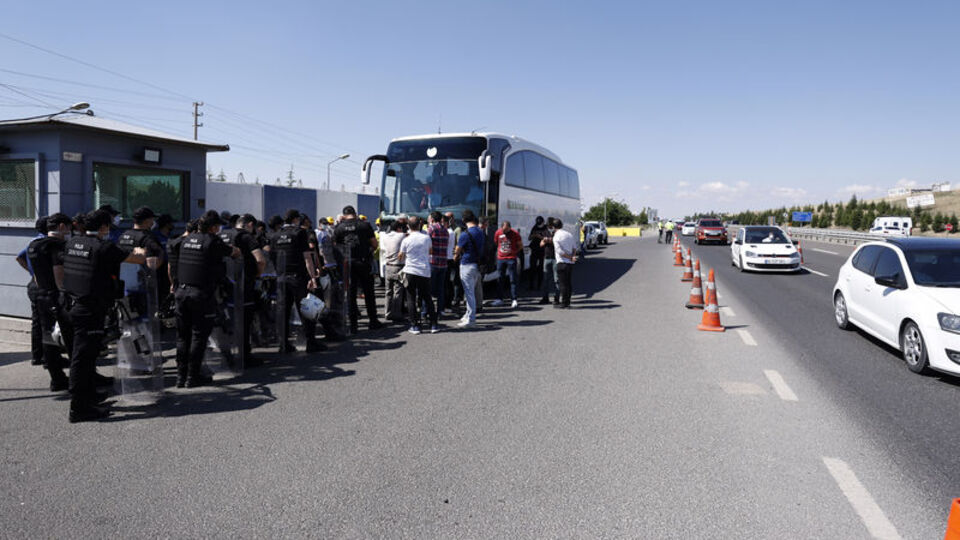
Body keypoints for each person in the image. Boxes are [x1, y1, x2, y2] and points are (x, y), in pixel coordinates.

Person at [62, 209, 146, 422]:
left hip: (74, 304)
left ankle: (89, 397)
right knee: (83, 358)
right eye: (109, 225)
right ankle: (79, 407)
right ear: (103, 227)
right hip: (90, 308)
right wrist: (140, 250)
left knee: (86, 356)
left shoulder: (73, 243)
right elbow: (137, 259)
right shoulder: (104, 246)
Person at [175, 211, 238, 387]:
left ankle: (181, 377)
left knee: (182, 337)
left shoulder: (186, 239)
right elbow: (232, 252)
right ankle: (192, 376)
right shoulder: (212, 241)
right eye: (218, 226)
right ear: (213, 228)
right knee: (198, 336)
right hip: (200, 295)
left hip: (181, 293)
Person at [26, 213, 74, 391]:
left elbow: (37, 275)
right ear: (62, 226)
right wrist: (66, 294)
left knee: (48, 338)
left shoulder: (35, 245)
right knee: (71, 339)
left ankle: (57, 378)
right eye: (68, 227)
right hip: (57, 297)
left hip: (41, 295)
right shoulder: (57, 246)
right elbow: (59, 274)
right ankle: (81, 381)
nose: (69, 231)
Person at [269, 209, 324, 353]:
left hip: (281, 278)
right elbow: (307, 258)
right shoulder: (299, 233)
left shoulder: (275, 235)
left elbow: (272, 257)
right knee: (307, 309)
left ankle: (284, 344)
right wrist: (313, 278)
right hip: (298, 277)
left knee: (284, 311)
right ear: (295, 219)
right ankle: (310, 342)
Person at [224, 214, 268, 362]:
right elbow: (261, 260)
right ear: (249, 224)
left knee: (228, 320)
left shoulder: (223, 234)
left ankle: (229, 354)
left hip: (225, 284)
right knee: (244, 320)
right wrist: (257, 275)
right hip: (244, 284)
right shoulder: (247, 237)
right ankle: (244, 355)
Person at [333, 205, 383, 333]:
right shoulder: (364, 225)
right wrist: (369, 251)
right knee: (369, 292)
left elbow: (335, 246)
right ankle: (373, 321)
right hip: (363, 262)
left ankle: (353, 325)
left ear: (344, 215)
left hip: (347, 264)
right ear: (355, 213)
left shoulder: (339, 228)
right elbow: (375, 244)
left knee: (350, 294)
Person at [16, 216, 47, 366]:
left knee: (36, 322)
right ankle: (49, 356)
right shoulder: (47, 244)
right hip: (44, 285)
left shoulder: (32, 242)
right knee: (47, 322)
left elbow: (19, 258)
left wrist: (31, 272)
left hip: (33, 284)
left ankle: (37, 355)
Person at [399, 219, 437, 334]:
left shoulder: (406, 240)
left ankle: (415, 326)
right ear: (420, 225)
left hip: (410, 270)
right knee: (427, 297)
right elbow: (431, 251)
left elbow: (400, 256)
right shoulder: (426, 238)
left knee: (411, 298)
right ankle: (433, 324)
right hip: (424, 271)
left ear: (408, 226)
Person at [454, 211, 484, 328]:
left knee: (469, 293)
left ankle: (471, 319)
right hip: (477, 265)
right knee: (472, 292)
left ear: (463, 220)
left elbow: (457, 250)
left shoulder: (465, 234)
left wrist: (455, 257)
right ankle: (467, 315)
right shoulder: (480, 232)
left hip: (466, 264)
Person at [379, 218, 407, 323]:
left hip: (388, 266)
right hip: (398, 266)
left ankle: (388, 313)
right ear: (399, 228)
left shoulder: (385, 236)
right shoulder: (401, 236)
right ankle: (397, 314)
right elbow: (410, 233)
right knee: (398, 291)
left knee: (388, 291)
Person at [492, 221, 522, 308]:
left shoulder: (515, 233)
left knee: (513, 279)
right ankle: (499, 299)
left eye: (506, 230)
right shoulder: (498, 232)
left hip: (511, 259)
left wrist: (514, 252)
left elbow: (520, 245)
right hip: (501, 259)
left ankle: (514, 299)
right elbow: (496, 243)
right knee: (500, 279)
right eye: (503, 230)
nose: (504, 232)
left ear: (510, 227)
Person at [551, 219, 577, 308]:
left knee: (562, 284)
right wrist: (572, 257)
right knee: (568, 283)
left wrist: (570, 257)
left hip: (562, 262)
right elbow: (574, 248)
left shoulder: (556, 236)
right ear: (561, 225)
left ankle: (564, 303)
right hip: (570, 263)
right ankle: (568, 301)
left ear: (553, 227)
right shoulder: (569, 234)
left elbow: (559, 251)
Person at [427, 211, 449, 316]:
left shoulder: (431, 229)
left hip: (433, 262)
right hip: (443, 262)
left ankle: (427, 311)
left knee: (428, 289)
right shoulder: (446, 230)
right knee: (440, 288)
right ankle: (440, 310)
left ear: (432, 219)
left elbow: (426, 243)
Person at [539, 217, 559, 305]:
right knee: (545, 279)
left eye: (550, 225)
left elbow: (558, 243)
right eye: (548, 225)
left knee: (556, 279)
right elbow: (541, 244)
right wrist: (544, 241)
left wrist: (551, 241)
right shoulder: (545, 232)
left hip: (555, 258)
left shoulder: (557, 232)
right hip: (546, 257)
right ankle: (545, 298)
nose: (549, 227)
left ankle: (557, 298)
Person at [528, 216, 548, 290]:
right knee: (532, 268)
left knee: (541, 269)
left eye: (540, 223)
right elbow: (529, 238)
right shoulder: (535, 227)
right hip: (534, 249)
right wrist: (533, 235)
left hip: (542, 250)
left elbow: (548, 239)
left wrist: (540, 237)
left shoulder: (545, 228)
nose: (539, 225)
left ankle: (539, 285)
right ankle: (531, 285)